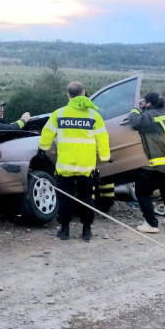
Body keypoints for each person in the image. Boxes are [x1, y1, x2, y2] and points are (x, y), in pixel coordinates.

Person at [38, 81, 110, 242]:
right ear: (84, 93)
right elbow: (103, 138)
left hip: (65, 166)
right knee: (87, 197)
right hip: (86, 167)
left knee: (65, 198)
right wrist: (105, 157)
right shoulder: (94, 115)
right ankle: (86, 231)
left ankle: (64, 231)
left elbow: (47, 133)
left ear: (68, 95)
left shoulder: (59, 114)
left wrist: (42, 149)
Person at [128, 92, 165, 233]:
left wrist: (135, 108)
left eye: (144, 101)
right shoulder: (162, 114)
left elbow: (135, 121)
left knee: (142, 191)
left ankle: (151, 224)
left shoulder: (149, 116)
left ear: (149, 103)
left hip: (154, 162)